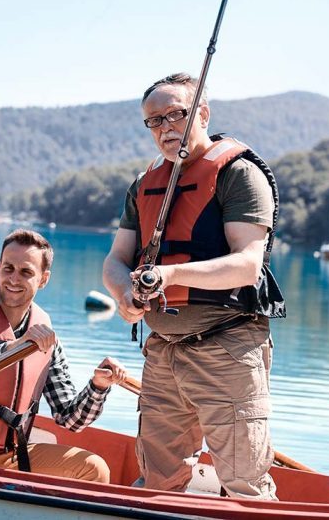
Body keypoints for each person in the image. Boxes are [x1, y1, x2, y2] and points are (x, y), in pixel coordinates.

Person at [102, 72, 285, 499]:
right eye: (154, 120)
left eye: (176, 115)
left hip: (227, 349)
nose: (165, 128)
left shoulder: (238, 174)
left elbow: (246, 265)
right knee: (157, 481)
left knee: (244, 484)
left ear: (202, 113)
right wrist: (123, 295)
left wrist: (171, 275)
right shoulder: (145, 183)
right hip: (163, 350)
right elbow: (115, 260)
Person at [0, 228, 126, 483]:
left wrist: (98, 387)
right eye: (8, 268)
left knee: (94, 468)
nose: (14, 279)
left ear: (43, 279)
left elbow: (70, 419)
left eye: (26, 272)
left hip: (11, 454)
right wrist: (15, 347)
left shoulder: (46, 338)